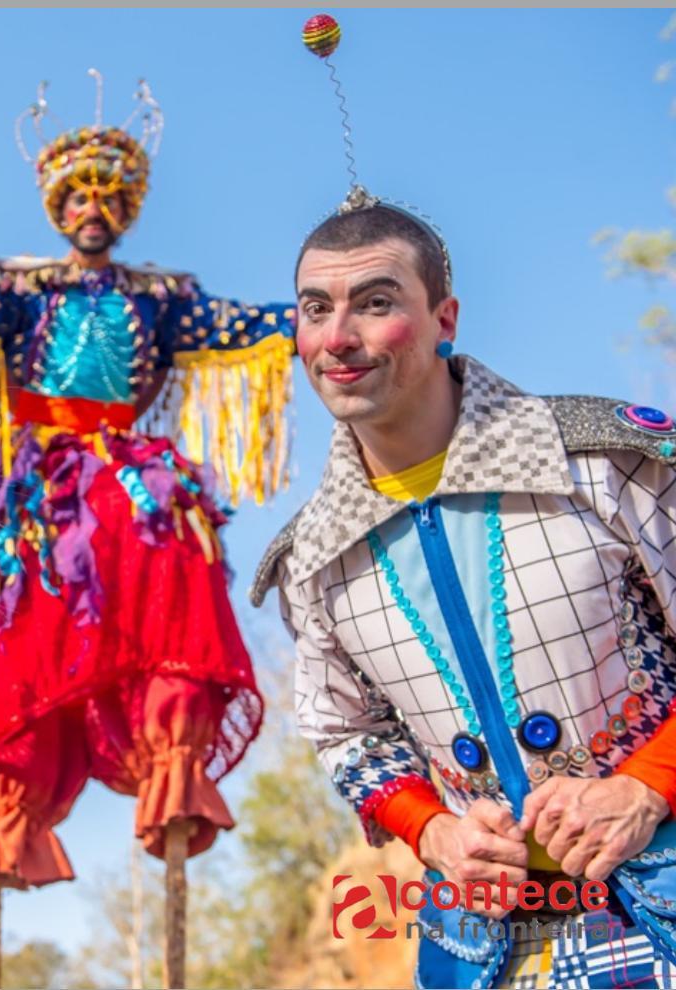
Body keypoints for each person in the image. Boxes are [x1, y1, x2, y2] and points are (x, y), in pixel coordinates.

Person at [0, 83, 296, 892]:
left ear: (126, 211)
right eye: (80, 194)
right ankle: (16, 808)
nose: (95, 207)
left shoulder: (163, 298)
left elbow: (251, 324)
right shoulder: (20, 288)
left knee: (174, 576)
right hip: (35, 487)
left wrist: (334, 310)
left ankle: (173, 770)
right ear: (58, 206)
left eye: (110, 195)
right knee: (13, 625)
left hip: (128, 479)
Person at [254, 188, 676, 987]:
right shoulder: (311, 558)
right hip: (486, 947)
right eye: (315, 309)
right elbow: (352, 738)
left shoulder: (607, 462)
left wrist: (649, 785)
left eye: (376, 304)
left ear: (446, 318)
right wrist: (436, 832)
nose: (338, 339)